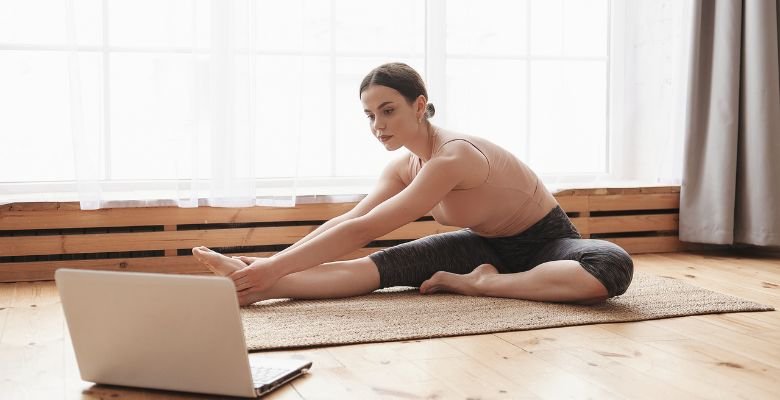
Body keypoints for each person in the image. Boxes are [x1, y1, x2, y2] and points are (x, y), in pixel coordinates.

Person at [192, 62, 633, 307]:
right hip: (481, 247)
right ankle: (251, 289)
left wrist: (271, 264)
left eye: (388, 111)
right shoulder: (406, 164)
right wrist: (270, 268)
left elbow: (362, 232)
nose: (377, 125)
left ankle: (480, 284)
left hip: (546, 244)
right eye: (369, 115)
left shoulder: (452, 156)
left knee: (610, 268)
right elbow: (352, 219)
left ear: (419, 106)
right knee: (374, 271)